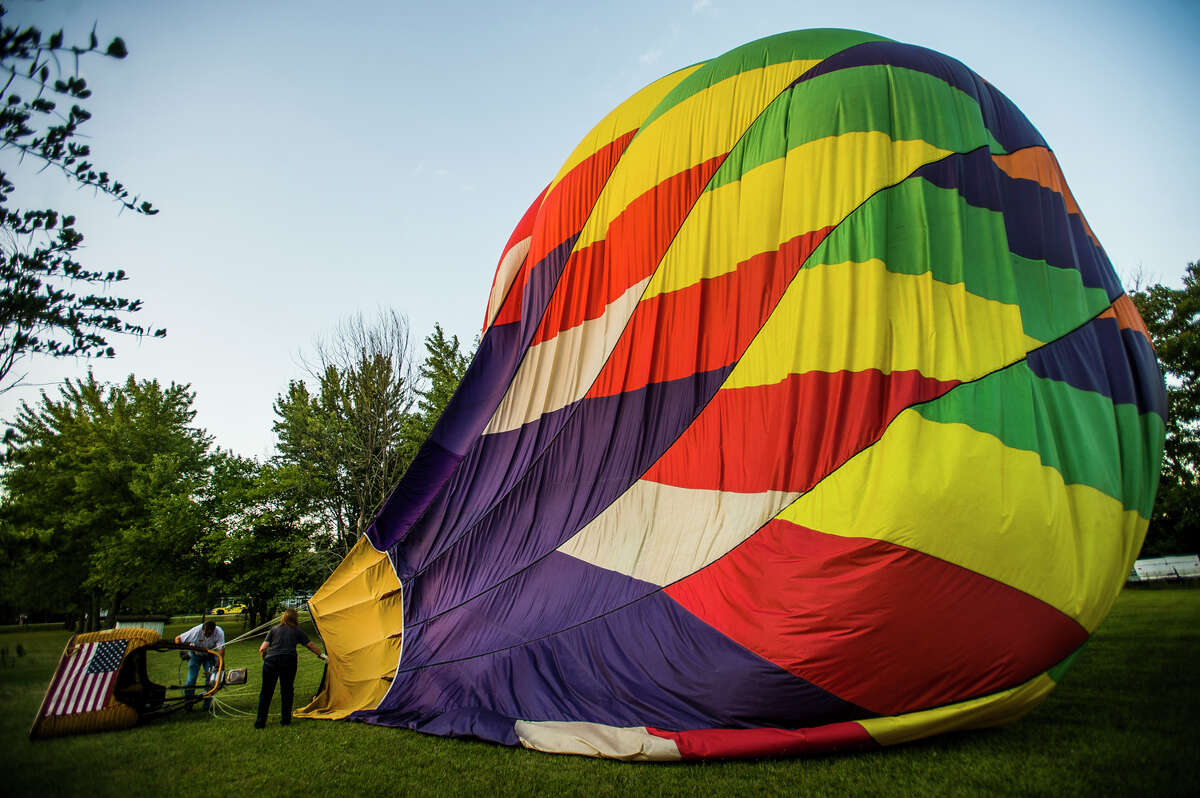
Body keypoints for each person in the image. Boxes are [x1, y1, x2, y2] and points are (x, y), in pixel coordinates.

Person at [255, 608, 326, 728]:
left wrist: (265, 658)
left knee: (266, 692)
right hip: (289, 661)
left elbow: (262, 648)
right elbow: (310, 645)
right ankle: (285, 721)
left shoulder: (274, 629)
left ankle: (260, 722)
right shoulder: (297, 631)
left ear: (284, 617)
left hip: (271, 662)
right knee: (287, 690)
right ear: (295, 618)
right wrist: (322, 655)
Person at [175, 619, 225, 710]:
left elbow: (221, 650)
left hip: (210, 656)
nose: (208, 635)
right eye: (206, 633)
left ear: (214, 630)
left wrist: (218, 665)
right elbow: (177, 639)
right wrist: (183, 652)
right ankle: (188, 704)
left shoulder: (219, 632)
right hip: (195, 655)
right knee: (191, 679)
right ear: (203, 629)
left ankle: (206, 706)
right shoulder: (195, 631)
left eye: (210, 633)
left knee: (211, 680)